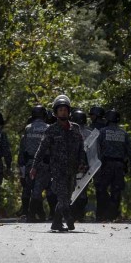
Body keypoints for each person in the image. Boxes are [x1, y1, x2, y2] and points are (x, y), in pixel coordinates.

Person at [31, 95, 87, 231]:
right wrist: (34, 166)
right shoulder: (51, 130)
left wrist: (82, 162)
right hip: (57, 170)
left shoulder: (75, 128)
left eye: (65, 110)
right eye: (60, 110)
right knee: (62, 195)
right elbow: (41, 149)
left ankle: (56, 222)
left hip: (72, 169)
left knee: (67, 197)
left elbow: (81, 148)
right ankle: (68, 218)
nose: (63, 112)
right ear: (56, 113)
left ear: (69, 111)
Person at [94, 109, 131, 222]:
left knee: (101, 189)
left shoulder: (102, 132)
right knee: (116, 191)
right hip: (119, 166)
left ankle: (102, 214)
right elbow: (130, 152)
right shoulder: (124, 133)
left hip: (106, 165)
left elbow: (97, 151)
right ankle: (112, 215)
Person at [17, 105, 49, 221]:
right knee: (38, 189)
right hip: (44, 163)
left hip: (30, 163)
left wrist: (22, 167)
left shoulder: (27, 128)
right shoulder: (48, 128)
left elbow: (23, 149)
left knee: (30, 188)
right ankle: (34, 215)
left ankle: (33, 214)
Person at [70, 109, 92, 222]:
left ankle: (72, 214)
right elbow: (94, 152)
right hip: (86, 167)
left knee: (71, 189)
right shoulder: (90, 133)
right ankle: (80, 215)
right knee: (83, 190)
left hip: (72, 165)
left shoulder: (69, 131)